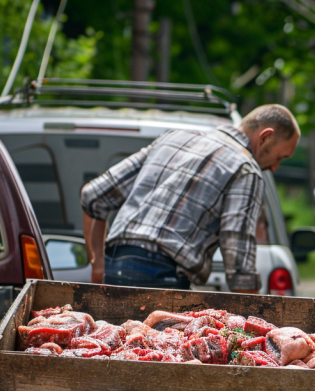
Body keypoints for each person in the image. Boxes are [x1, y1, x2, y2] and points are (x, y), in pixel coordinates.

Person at [81, 104, 300, 293]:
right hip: (160, 278)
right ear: (265, 137)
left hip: (115, 266)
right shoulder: (246, 169)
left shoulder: (174, 137)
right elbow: (239, 265)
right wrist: (256, 322)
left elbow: (94, 195)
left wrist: (98, 265)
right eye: (279, 157)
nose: (274, 167)